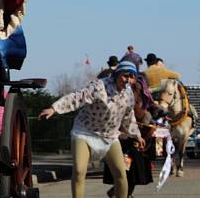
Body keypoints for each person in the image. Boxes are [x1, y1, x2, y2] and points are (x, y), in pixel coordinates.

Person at [39, 60, 145, 198]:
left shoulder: (129, 94)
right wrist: (54, 108)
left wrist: (136, 135)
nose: (128, 80)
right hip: (85, 132)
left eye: (131, 77)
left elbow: (128, 117)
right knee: (79, 171)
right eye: (125, 76)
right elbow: (77, 97)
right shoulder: (99, 86)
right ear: (117, 74)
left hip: (109, 137)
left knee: (120, 173)